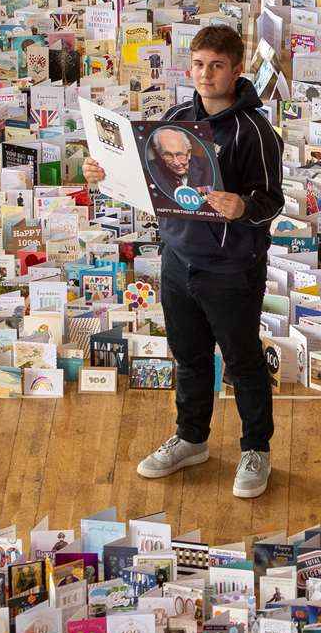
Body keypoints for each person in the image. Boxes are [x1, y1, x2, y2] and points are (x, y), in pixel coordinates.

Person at [81, 25, 284, 498]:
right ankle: (191, 438)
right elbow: (145, 176)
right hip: (177, 259)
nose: (205, 74)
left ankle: (257, 449)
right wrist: (102, 175)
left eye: (216, 66)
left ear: (237, 70)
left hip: (231, 268)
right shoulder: (175, 117)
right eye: (198, 64)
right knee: (189, 358)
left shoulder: (256, 132)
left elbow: (272, 199)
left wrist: (245, 208)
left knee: (244, 362)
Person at [147, 126, 215, 207]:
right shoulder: (151, 169)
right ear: (160, 154)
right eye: (168, 155)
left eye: (180, 155)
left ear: (189, 153)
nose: (176, 163)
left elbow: (210, 200)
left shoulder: (209, 167)